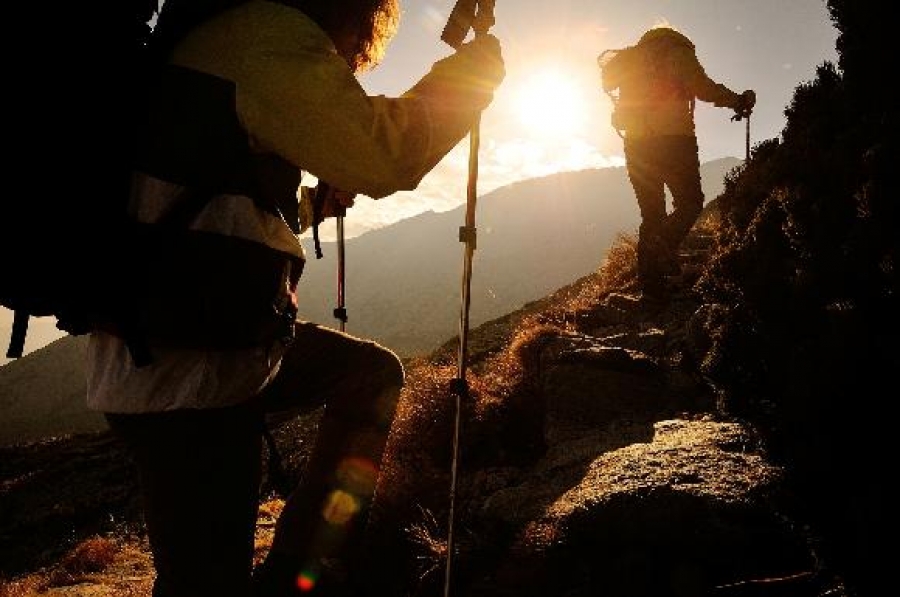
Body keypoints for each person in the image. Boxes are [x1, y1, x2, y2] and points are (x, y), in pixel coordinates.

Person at [85, 1, 505, 596]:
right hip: (185, 371)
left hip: (200, 342)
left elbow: (218, 202)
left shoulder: (219, 42)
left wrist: (310, 205)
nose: (346, 61)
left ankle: (296, 572)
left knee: (368, 375)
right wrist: (470, 77)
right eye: (352, 48)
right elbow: (383, 154)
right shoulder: (266, 34)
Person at [598, 25, 755, 298]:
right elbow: (703, 88)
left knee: (652, 214)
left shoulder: (632, 58)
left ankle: (652, 288)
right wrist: (738, 101)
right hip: (675, 141)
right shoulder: (677, 51)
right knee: (690, 202)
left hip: (636, 145)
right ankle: (664, 245)